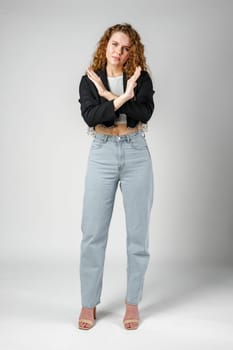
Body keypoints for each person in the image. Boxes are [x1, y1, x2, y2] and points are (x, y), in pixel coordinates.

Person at [77, 23, 155, 330]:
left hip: (136, 152)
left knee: (138, 235)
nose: (118, 52)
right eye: (114, 45)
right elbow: (91, 116)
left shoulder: (142, 77)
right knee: (93, 233)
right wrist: (122, 97)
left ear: (131, 52)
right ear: (105, 45)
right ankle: (88, 302)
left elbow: (144, 114)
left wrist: (108, 95)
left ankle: (132, 302)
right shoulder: (89, 79)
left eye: (125, 48)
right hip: (102, 152)